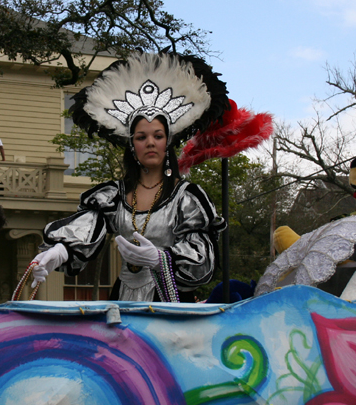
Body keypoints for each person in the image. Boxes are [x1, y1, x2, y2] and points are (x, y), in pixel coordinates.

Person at [30, 53, 229, 302]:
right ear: (132, 145)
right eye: (141, 137)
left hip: (170, 306)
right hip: (123, 301)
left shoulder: (187, 198)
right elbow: (86, 227)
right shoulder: (113, 195)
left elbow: (203, 258)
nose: (150, 143)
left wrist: (160, 259)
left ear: (168, 142)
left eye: (157, 136)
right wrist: (57, 252)